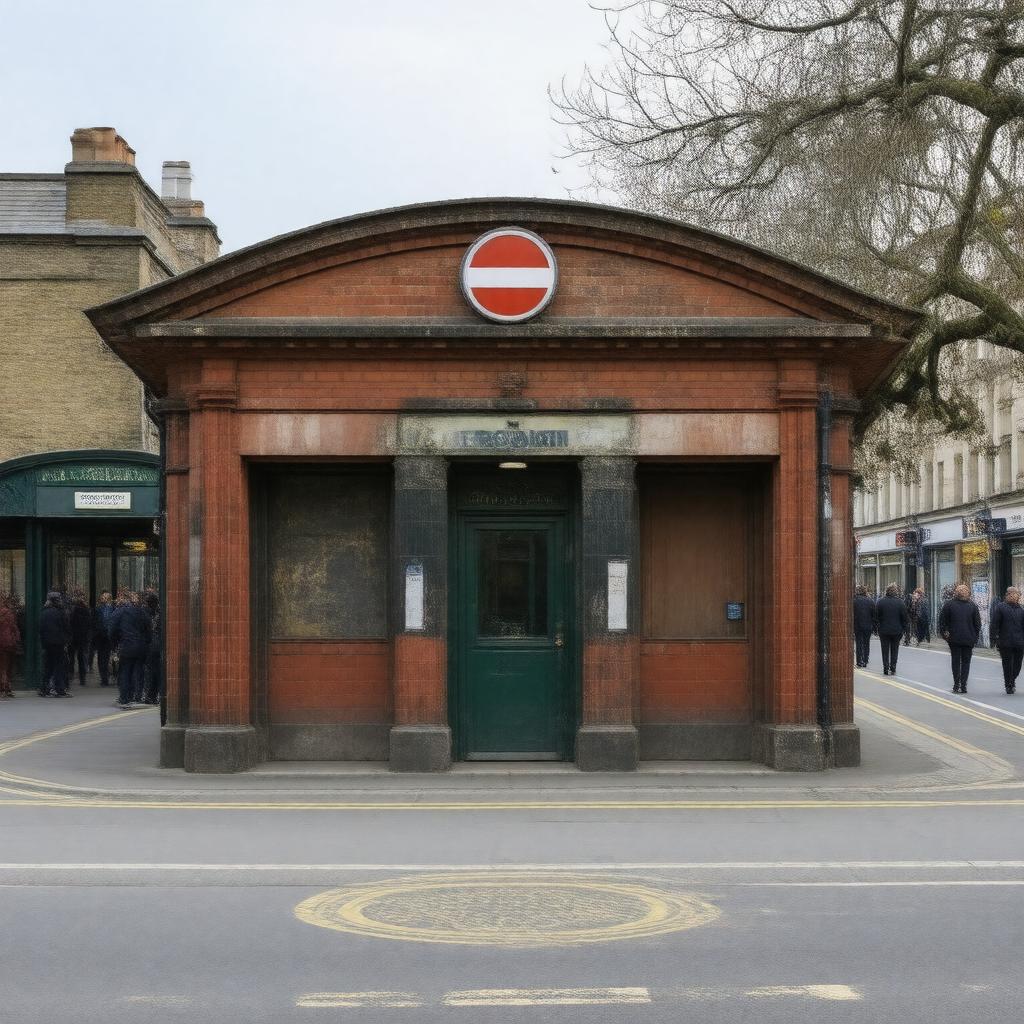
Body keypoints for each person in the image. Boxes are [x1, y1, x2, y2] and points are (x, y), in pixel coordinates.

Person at [110, 591, 151, 708]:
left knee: (125, 671)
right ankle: (136, 696)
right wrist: (146, 642)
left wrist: (115, 644)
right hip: (141, 646)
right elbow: (148, 629)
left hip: (127, 646)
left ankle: (124, 698)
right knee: (138, 671)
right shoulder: (141, 612)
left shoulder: (120, 612)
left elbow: (112, 629)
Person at [939, 583, 982, 694]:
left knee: (956, 661)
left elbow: (942, 621)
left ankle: (956, 684)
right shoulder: (972, 606)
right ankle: (963, 685)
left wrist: (945, 634)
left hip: (954, 639)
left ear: (956, 593)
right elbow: (977, 624)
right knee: (966, 662)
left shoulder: (949, 605)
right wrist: (975, 637)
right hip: (968, 639)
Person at [991, 587, 1024, 695]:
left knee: (1018, 665)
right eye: (1015, 594)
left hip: (1019, 642)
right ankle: (1008, 685)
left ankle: (1011, 679)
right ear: (1008, 594)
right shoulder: (1000, 607)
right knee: (1007, 665)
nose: (1017, 596)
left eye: (1018, 594)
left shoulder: (1021, 609)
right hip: (1005, 641)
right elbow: (994, 624)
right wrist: (994, 639)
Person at [39, 591, 71, 697]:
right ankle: (59, 689)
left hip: (47, 644)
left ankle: (44, 689)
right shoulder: (60, 612)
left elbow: (41, 629)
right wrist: (66, 640)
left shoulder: (44, 612)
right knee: (59, 666)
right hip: (58, 644)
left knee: (48, 666)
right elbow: (66, 628)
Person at [875, 584, 909, 675]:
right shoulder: (900, 602)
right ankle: (893, 668)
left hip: (884, 630)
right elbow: (905, 618)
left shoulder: (880, 602)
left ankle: (885, 668)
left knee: (884, 650)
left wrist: (878, 628)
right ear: (896, 592)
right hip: (896, 631)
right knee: (895, 649)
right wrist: (903, 629)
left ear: (886, 591)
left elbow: (876, 617)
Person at [92, 590, 115, 686]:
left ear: (108, 599)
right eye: (102, 597)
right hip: (100, 636)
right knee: (102, 657)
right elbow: (94, 622)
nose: (102, 599)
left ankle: (106, 677)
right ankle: (104, 678)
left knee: (106, 657)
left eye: (104, 597)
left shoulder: (113, 609)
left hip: (108, 636)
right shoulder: (97, 609)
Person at [68, 592, 91, 687]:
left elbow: (69, 625)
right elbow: (89, 626)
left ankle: (70, 674)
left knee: (71, 658)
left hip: (73, 638)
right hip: (83, 639)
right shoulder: (87, 612)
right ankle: (82, 678)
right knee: (82, 658)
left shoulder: (72, 612)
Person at [0, 593, 20, 698]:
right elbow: (14, 629)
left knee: (2, 667)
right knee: (7, 667)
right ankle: (6, 688)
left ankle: (3, 688)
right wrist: (16, 640)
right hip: (9, 644)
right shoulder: (10, 614)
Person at [143, 592, 161, 705]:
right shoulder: (160, 613)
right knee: (157, 672)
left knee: (150, 673)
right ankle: (154, 695)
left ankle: (149, 695)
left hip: (150, 646)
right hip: (158, 646)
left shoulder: (144, 614)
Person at [853, 585, 876, 668]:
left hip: (857, 625)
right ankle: (865, 660)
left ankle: (859, 661)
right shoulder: (870, 601)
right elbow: (874, 615)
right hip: (868, 626)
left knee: (859, 643)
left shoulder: (854, 601)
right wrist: (873, 626)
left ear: (857, 591)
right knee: (866, 643)